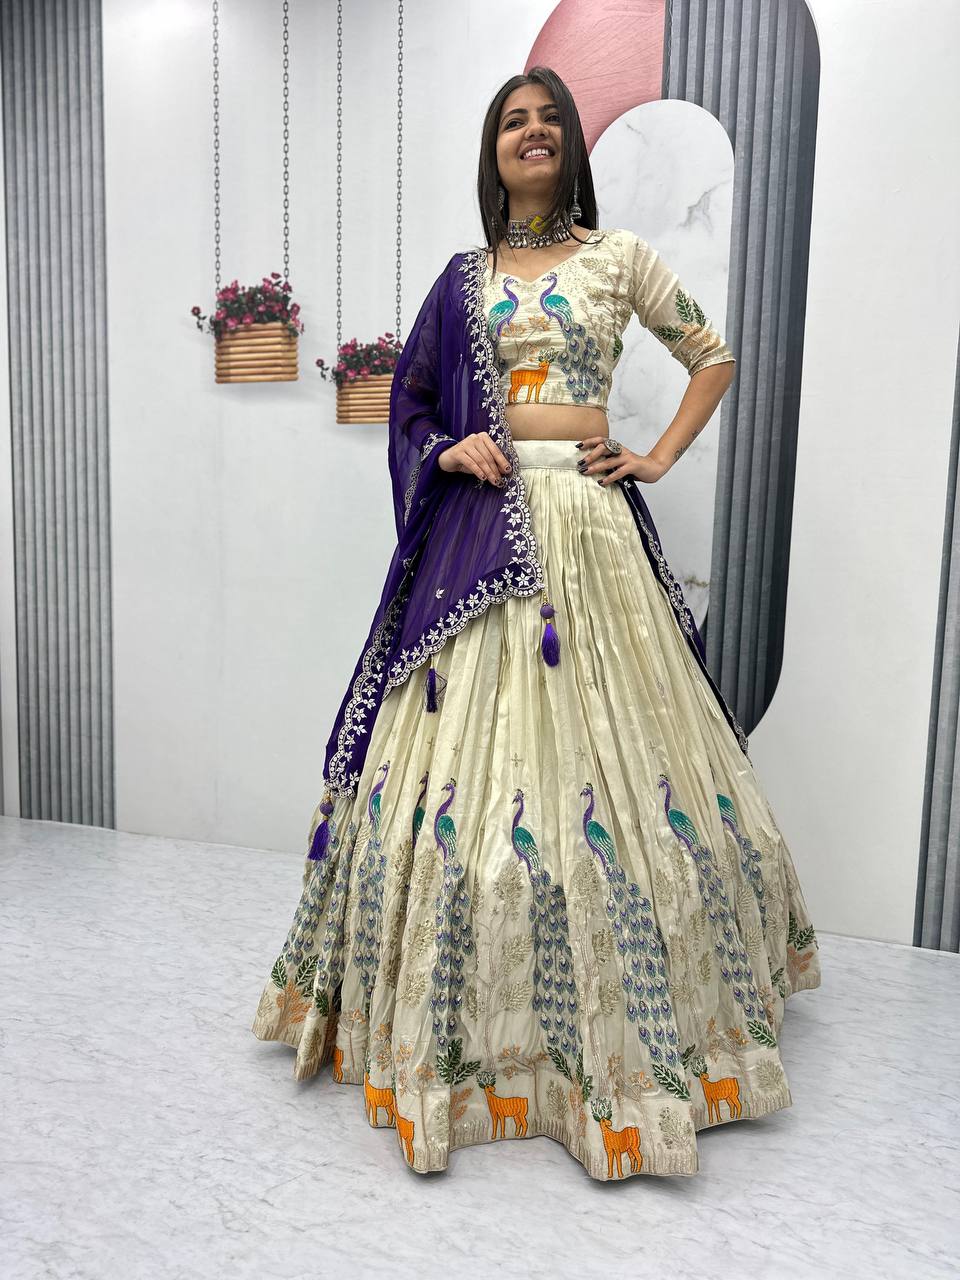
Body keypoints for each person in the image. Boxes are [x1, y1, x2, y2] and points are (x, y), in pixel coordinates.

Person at [251, 66, 822, 1182]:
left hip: (592, 529)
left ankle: (639, 1028)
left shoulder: (619, 259)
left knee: (619, 768)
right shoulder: (462, 280)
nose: (533, 132)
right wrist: (446, 447)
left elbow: (712, 355)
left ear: (570, 145)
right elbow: (415, 402)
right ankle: (463, 1030)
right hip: (485, 532)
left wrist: (656, 456)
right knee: (478, 771)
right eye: (513, 121)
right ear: (493, 151)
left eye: (548, 118)